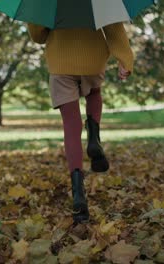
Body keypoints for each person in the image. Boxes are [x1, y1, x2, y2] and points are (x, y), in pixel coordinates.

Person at [27, 22, 134, 223]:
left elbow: (38, 36)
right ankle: (94, 137)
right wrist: (125, 59)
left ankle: (78, 194)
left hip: (61, 62)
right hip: (92, 59)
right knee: (94, 92)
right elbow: (113, 28)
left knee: (71, 127)